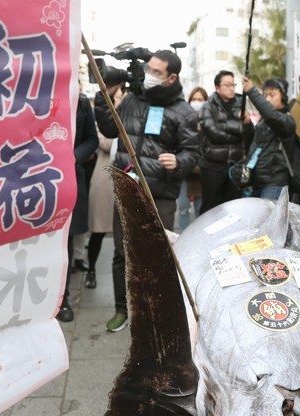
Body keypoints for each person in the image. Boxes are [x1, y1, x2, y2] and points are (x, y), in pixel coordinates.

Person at [94, 49, 199, 332]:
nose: (148, 76)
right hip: (126, 188)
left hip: (160, 194)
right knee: (122, 253)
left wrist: (178, 161)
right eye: (148, 69)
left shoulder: (183, 111)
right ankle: (122, 309)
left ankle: (155, 312)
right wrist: (103, 97)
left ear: (171, 77)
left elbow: (193, 152)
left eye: (156, 72)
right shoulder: (131, 100)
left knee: (157, 256)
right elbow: (108, 128)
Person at [57, 92, 98, 322]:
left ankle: (63, 299)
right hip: (35, 180)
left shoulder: (81, 102)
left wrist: (74, 156)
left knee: (67, 241)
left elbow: (92, 139)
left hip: (70, 178)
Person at [199, 70, 254, 214]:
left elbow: (249, 136)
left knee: (233, 209)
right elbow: (214, 134)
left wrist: (247, 124)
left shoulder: (241, 105)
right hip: (213, 167)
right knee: (209, 209)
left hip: (235, 167)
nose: (231, 88)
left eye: (233, 85)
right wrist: (238, 132)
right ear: (217, 87)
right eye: (227, 85)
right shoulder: (207, 106)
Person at [241, 77, 296, 201]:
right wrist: (247, 124)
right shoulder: (263, 121)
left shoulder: (286, 121)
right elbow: (253, 144)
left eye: (272, 95)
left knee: (269, 219)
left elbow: (271, 115)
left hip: (275, 182)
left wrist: (251, 91)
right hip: (257, 180)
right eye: (265, 95)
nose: (267, 99)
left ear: (283, 97)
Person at [83, 132, 117, 289]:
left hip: (128, 178)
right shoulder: (104, 121)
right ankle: (91, 270)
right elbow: (104, 143)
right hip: (105, 180)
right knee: (98, 231)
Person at [176, 86, 208, 231]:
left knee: (200, 210)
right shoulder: (183, 120)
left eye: (200, 100)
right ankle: (182, 237)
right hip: (185, 171)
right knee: (183, 207)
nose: (197, 102)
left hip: (202, 172)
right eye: (194, 99)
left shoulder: (210, 122)